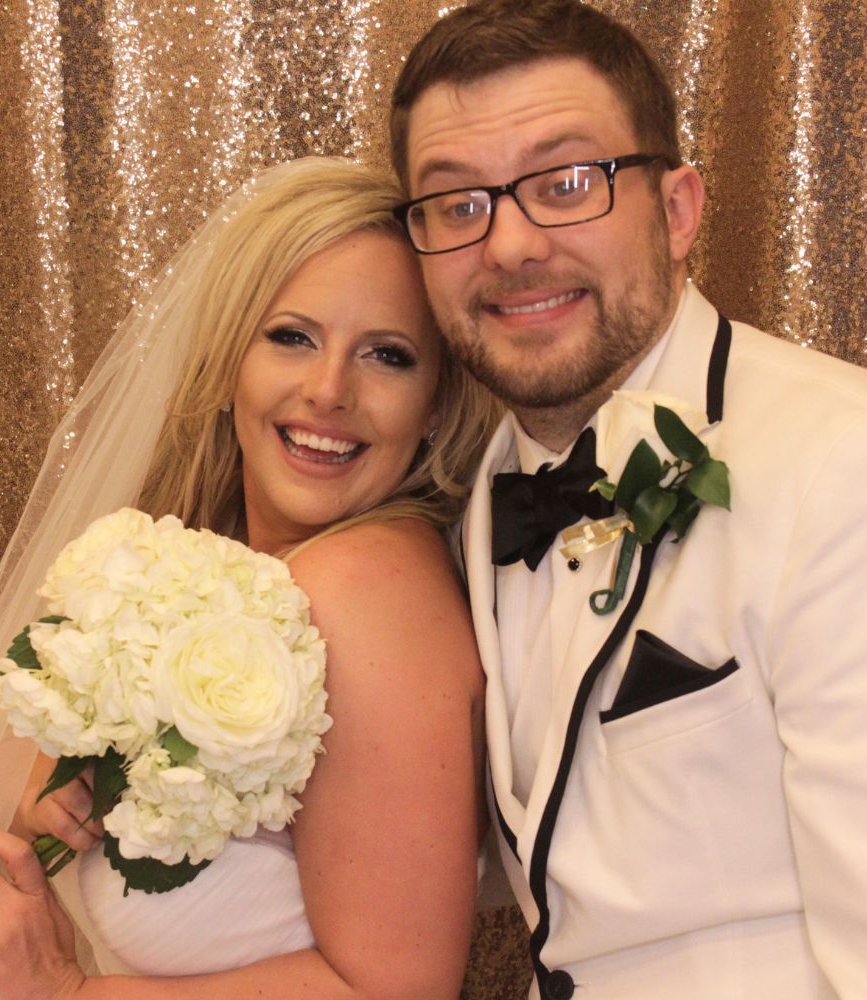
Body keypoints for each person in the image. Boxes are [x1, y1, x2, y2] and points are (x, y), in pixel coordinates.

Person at [0, 157, 501, 999]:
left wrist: (66, 993)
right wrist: (62, 806)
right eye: (292, 336)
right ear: (230, 356)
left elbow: (392, 990)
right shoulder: (228, 574)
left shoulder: (365, 585)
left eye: (388, 355)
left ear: (435, 407)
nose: (328, 390)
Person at [388, 1, 867, 998]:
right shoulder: (466, 503)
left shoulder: (841, 459)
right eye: (457, 203)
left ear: (678, 209)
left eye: (568, 183)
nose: (510, 244)